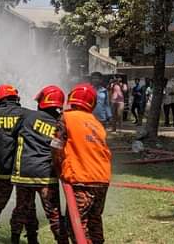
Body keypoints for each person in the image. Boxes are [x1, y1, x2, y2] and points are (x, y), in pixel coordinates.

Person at [52, 83, 112, 244]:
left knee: (76, 224)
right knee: (94, 221)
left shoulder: (66, 117)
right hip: (102, 179)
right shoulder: (96, 123)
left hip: (81, 179)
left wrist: (57, 167)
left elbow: (56, 145)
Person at [9, 86, 68, 244]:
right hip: (47, 175)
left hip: (24, 173)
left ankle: (15, 239)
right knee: (53, 213)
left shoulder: (27, 117)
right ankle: (62, 241)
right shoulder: (61, 123)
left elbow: (13, 135)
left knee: (22, 209)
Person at [0, 84, 29, 242]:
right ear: (16, 98)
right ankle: (16, 235)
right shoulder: (27, 114)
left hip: (1, 166)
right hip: (22, 166)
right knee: (24, 202)